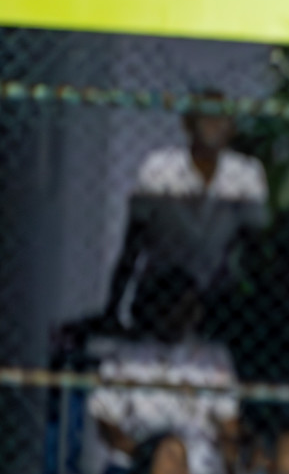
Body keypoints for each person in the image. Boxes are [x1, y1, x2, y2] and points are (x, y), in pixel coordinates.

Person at [106, 92, 269, 329]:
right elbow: (134, 242)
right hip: (162, 291)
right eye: (207, 118)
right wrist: (114, 306)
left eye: (222, 119)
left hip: (217, 295)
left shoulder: (246, 173)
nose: (215, 126)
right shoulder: (160, 168)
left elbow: (255, 244)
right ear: (188, 125)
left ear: (232, 127)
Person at [88, 267, 240, 474]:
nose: (179, 314)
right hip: (135, 463)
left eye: (188, 307)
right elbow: (106, 420)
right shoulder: (127, 356)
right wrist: (146, 455)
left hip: (198, 469)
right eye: (172, 305)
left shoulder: (213, 358)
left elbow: (229, 425)